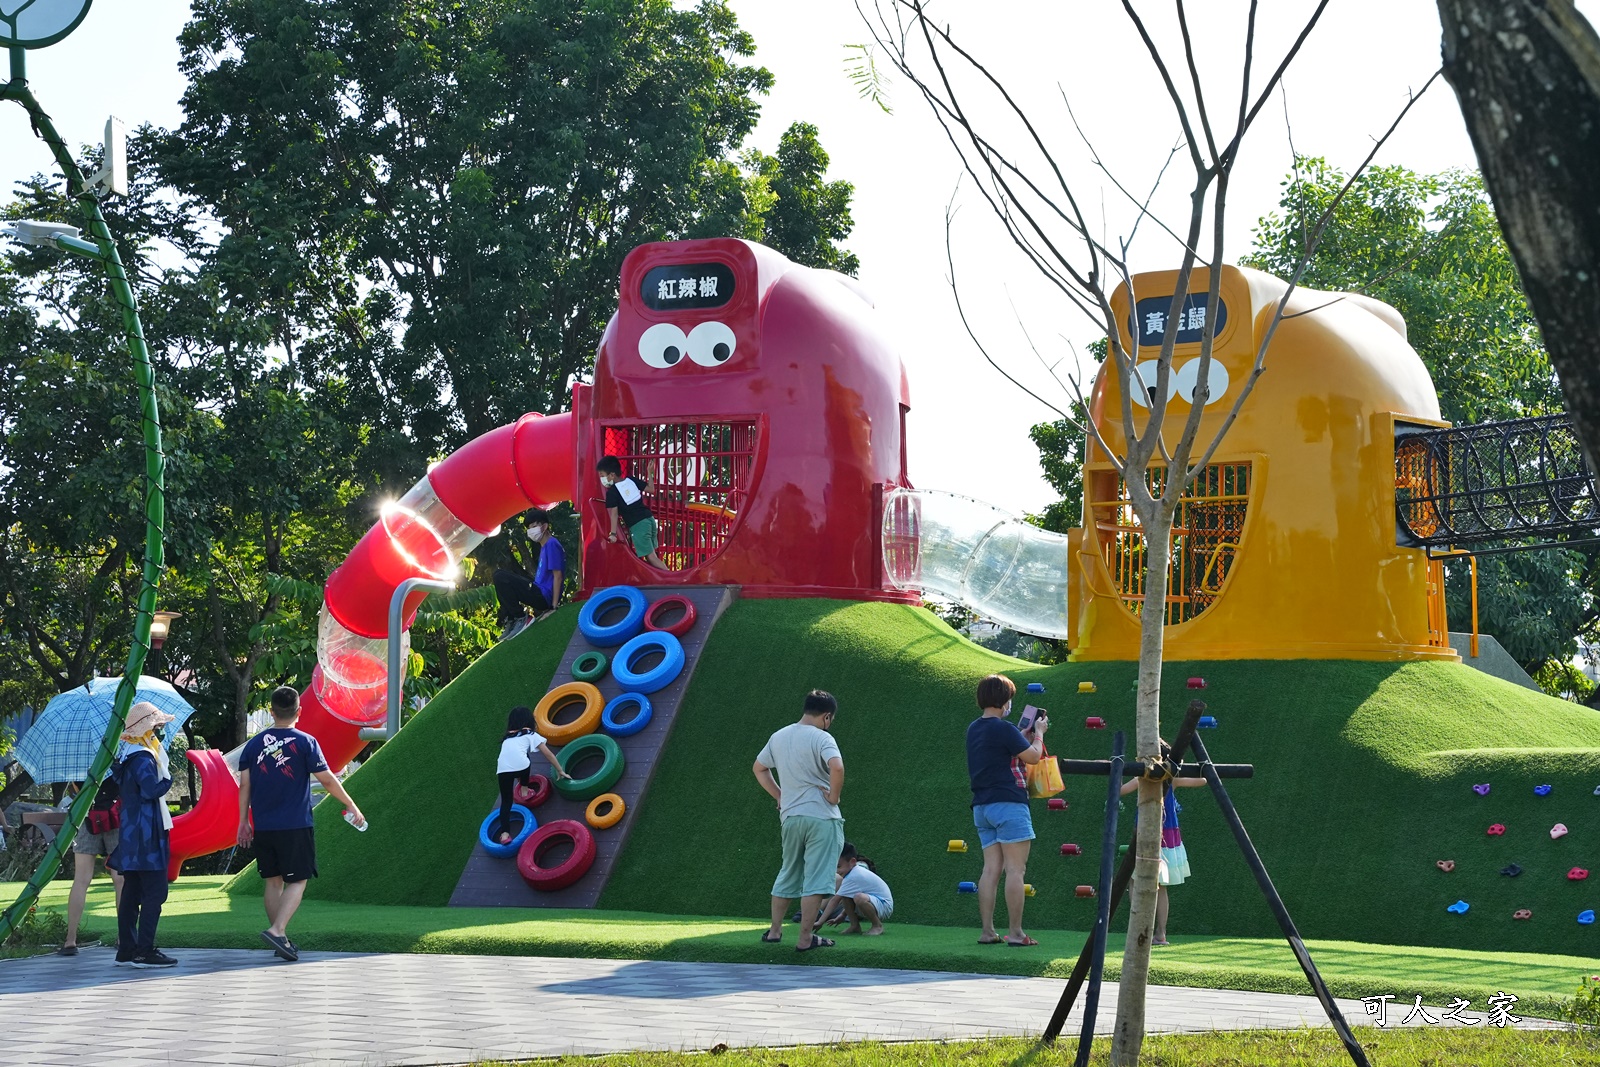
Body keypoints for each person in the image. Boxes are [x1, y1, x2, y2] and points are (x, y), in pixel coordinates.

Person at [238, 686, 366, 962]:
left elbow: (244, 785)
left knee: (274, 882)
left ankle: (280, 940)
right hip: (294, 824)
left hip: (263, 825)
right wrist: (351, 803)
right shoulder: (306, 742)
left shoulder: (253, 745)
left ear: (271, 712)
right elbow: (328, 779)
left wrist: (242, 823)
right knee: (299, 880)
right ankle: (277, 929)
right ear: (299, 711)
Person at [753, 690, 845, 951]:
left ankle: (774, 931)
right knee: (815, 879)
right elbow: (836, 767)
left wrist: (780, 795)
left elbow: (759, 768)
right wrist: (833, 797)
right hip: (821, 817)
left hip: (791, 816)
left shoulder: (779, 736)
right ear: (826, 716)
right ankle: (805, 939)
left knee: (788, 871)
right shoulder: (822, 737)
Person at [966, 673, 1047, 947]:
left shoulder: (974, 728)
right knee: (1016, 870)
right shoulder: (1004, 728)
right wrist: (1039, 734)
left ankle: (987, 931)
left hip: (982, 806)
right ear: (1004, 700)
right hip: (1009, 803)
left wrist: (1021, 736)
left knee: (991, 870)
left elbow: (1002, 749)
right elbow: (1034, 756)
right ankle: (1015, 932)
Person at [107, 702, 177, 968]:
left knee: (131, 893)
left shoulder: (126, 756)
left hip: (131, 832)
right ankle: (144, 950)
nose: (158, 731)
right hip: (148, 834)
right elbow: (150, 790)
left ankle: (127, 949)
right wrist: (167, 781)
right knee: (155, 893)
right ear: (146, 729)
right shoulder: (144, 758)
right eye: (156, 727)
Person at [1120, 740, 1206, 946]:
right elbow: (1203, 780)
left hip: (1148, 834)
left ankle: (1141, 928)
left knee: (1134, 881)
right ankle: (1161, 933)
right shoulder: (1171, 778)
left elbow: (1121, 790)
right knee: (1161, 886)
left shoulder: (1143, 776)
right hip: (1169, 836)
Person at [59, 774, 125, 956]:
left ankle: (70, 940)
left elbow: (75, 791)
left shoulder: (77, 762)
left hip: (86, 818)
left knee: (81, 880)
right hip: (115, 816)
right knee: (120, 879)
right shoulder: (116, 753)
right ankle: (124, 938)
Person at [495, 706, 570, 842]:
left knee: (506, 801)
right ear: (529, 720)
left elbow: (511, 758)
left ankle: (505, 834)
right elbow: (548, 753)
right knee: (524, 760)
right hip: (521, 766)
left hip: (502, 769)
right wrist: (560, 770)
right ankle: (524, 790)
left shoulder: (507, 738)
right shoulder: (530, 734)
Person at [494, 508, 566, 641]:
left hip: (544, 596)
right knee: (500, 576)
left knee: (500, 576)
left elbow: (558, 576)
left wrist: (553, 607)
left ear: (544, 526)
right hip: (538, 591)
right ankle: (511, 619)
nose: (531, 531)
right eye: (529, 528)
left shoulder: (552, 544)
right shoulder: (544, 547)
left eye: (533, 526)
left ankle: (521, 618)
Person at [598, 455, 666, 569]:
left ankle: (670, 579)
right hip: (649, 519)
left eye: (602, 476)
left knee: (651, 557)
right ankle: (665, 579)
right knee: (652, 556)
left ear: (612, 475)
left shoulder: (612, 492)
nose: (602, 479)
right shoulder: (631, 480)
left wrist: (613, 534)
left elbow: (613, 514)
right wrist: (649, 472)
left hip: (638, 525)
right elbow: (651, 489)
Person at [821, 841, 893, 936]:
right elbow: (845, 898)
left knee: (859, 897)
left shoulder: (854, 875)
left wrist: (820, 922)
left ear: (852, 862)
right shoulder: (851, 874)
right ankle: (855, 926)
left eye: (838, 866)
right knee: (846, 896)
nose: (836, 871)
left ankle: (877, 926)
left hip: (884, 906)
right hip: (876, 903)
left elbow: (834, 900)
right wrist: (842, 915)